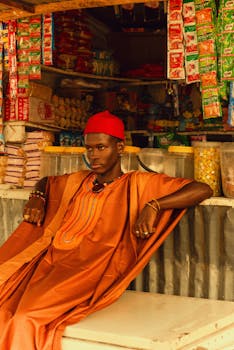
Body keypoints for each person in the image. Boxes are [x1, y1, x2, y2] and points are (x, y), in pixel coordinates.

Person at [0, 110, 213, 350]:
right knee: (3, 307)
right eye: (89, 149)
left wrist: (155, 205)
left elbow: (202, 189)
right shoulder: (78, 180)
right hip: (50, 262)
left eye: (101, 148)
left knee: (25, 318)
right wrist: (38, 196)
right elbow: (46, 181)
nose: (93, 155)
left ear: (119, 148)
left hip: (91, 270)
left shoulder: (137, 183)